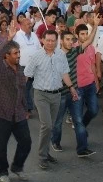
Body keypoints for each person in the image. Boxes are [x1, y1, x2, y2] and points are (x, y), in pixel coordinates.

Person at [24, 30, 74, 170]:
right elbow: (27, 74)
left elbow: (64, 72)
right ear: (42, 40)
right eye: (48, 40)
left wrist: (71, 87)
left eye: (53, 41)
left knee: (51, 125)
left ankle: (46, 153)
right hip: (41, 95)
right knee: (47, 125)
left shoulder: (61, 55)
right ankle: (42, 157)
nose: (50, 43)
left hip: (57, 95)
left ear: (57, 41)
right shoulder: (36, 56)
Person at [52, 20, 99, 158]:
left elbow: (89, 41)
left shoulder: (74, 51)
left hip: (74, 92)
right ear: (61, 41)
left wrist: (95, 25)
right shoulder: (55, 55)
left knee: (78, 120)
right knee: (58, 121)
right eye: (67, 39)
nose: (70, 41)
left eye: (71, 39)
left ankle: (82, 149)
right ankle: (55, 141)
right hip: (60, 94)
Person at [0, 39, 32, 182]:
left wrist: (26, 109)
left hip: (19, 113)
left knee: (26, 142)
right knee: (1, 146)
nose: (18, 55)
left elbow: (22, 90)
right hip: (2, 113)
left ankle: (17, 167)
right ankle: (2, 172)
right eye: (15, 53)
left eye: (19, 52)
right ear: (6, 55)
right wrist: (8, 39)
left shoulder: (20, 69)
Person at [13, 18, 42, 118]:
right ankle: (26, 109)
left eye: (30, 24)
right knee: (24, 88)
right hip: (22, 66)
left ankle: (34, 107)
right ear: (21, 25)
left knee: (35, 88)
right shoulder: (16, 36)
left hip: (35, 66)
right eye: (27, 24)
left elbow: (39, 49)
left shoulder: (34, 35)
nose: (30, 25)